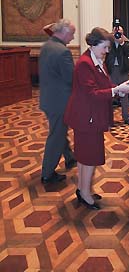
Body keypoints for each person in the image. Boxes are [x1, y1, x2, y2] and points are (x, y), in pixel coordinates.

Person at [64, 27, 129, 210]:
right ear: (94, 44)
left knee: (86, 156)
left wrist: (120, 86)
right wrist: (116, 91)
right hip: (86, 118)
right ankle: (84, 193)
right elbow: (91, 94)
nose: (107, 51)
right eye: (105, 47)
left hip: (90, 116)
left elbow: (104, 84)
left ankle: (83, 189)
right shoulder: (85, 63)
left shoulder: (96, 60)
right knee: (88, 157)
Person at [39, 19, 77, 184]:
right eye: (71, 34)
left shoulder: (47, 46)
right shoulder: (62, 51)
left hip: (49, 98)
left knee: (59, 131)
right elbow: (72, 78)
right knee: (56, 135)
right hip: (59, 102)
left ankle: (69, 157)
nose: (72, 38)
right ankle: (47, 173)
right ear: (63, 32)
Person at [105, 23, 129, 125]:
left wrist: (122, 43)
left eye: (120, 32)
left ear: (123, 33)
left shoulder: (126, 42)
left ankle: (126, 117)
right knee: (110, 94)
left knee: (124, 95)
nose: (118, 34)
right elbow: (106, 52)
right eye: (116, 32)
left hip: (123, 70)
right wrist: (112, 40)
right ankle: (109, 118)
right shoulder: (109, 42)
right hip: (111, 70)